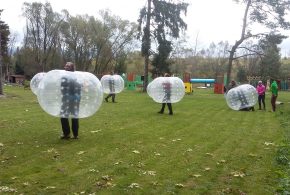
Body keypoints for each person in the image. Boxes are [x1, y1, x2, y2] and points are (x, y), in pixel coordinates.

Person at [60, 62, 81, 139]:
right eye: (65, 65)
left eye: (67, 66)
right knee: (73, 116)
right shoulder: (77, 77)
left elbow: (64, 89)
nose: (65, 67)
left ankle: (68, 134)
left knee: (64, 116)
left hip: (69, 99)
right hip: (75, 99)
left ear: (72, 68)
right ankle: (74, 135)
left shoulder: (65, 77)